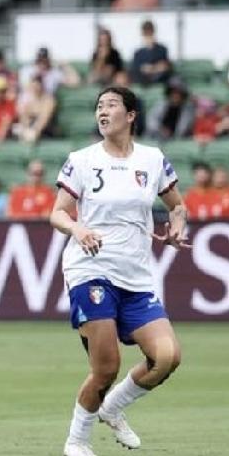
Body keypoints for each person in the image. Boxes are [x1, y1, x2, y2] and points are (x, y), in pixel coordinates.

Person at [50, 86, 187, 456]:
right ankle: (76, 442)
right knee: (106, 366)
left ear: (131, 115)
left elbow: (177, 206)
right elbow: (57, 212)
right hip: (90, 269)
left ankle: (113, 407)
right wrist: (78, 229)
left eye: (111, 105)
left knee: (167, 357)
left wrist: (177, 227)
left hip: (136, 275)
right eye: (98, 106)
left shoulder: (153, 159)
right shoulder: (82, 160)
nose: (102, 111)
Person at [129, 20, 172, 86]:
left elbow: (164, 66)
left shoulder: (162, 49)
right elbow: (136, 69)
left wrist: (152, 69)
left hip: (159, 78)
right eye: (146, 32)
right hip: (143, 79)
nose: (148, 35)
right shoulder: (138, 53)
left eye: (150, 32)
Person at [15, 76, 56, 144]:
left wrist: (35, 132)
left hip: (45, 129)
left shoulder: (48, 99)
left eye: (37, 86)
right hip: (30, 126)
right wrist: (25, 128)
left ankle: (31, 135)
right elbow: (23, 114)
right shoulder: (28, 98)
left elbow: (45, 117)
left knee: (32, 133)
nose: (35, 88)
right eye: (33, 86)